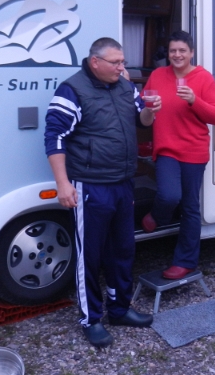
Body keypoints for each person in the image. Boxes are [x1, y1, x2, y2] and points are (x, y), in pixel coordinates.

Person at [44, 37, 161, 348]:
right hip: (89, 185)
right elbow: (54, 136)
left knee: (123, 250)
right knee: (90, 257)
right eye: (116, 62)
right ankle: (91, 319)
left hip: (123, 182)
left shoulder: (125, 86)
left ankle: (119, 309)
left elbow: (142, 120)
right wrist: (62, 182)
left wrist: (151, 110)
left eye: (122, 61)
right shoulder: (73, 89)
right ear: (95, 62)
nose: (123, 68)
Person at [140, 31, 215, 279]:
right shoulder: (157, 75)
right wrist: (149, 109)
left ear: (191, 53)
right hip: (166, 148)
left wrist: (194, 101)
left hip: (194, 150)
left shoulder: (203, 78)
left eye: (182, 51)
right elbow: (143, 113)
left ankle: (185, 261)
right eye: (173, 50)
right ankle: (158, 215)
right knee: (168, 194)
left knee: (190, 207)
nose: (177, 55)